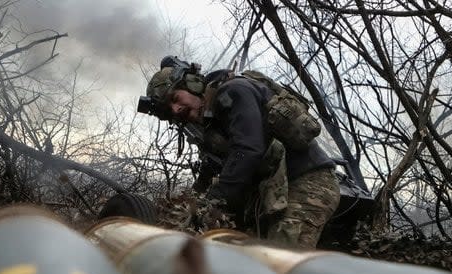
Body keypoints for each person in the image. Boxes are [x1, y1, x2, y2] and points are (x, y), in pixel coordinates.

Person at [142, 57, 340, 248]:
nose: (176, 109)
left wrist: (212, 201)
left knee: (282, 263)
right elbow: (212, 167)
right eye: (169, 109)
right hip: (276, 192)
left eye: (175, 98)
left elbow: (248, 149)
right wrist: (191, 203)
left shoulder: (233, 91)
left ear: (192, 84)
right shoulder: (213, 121)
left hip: (308, 183)